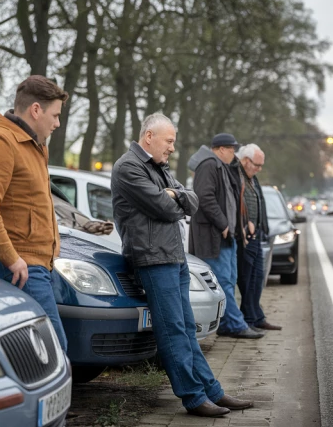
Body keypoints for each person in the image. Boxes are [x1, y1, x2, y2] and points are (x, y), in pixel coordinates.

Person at [111, 113, 255, 417]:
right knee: (173, 329)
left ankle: (212, 391)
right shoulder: (128, 167)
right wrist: (173, 201)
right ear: (149, 136)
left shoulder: (159, 168)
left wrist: (175, 193)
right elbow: (164, 208)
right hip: (152, 258)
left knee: (188, 329)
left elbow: (191, 201)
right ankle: (192, 397)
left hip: (173, 256)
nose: (172, 148)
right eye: (169, 141)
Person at [0, 75, 69, 351]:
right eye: (55, 115)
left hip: (38, 263)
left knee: (39, 353)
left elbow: (37, 202)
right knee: (54, 348)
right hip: (20, 265)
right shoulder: (1, 141)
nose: (57, 123)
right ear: (36, 110)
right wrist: (11, 258)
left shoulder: (35, 145)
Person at [188, 134, 264, 339]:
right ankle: (235, 324)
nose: (234, 154)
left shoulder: (221, 167)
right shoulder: (209, 165)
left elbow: (232, 200)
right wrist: (223, 224)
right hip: (215, 237)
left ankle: (227, 323)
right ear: (221, 149)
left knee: (229, 279)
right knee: (223, 281)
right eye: (232, 150)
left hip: (226, 236)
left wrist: (242, 221)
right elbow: (204, 197)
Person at [235, 144, 281, 331]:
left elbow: (258, 202)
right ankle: (249, 319)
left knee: (257, 277)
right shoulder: (237, 177)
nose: (259, 169)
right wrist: (245, 225)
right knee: (247, 279)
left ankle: (256, 315)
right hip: (245, 236)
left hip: (256, 235)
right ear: (245, 160)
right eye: (257, 165)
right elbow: (237, 203)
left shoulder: (252, 178)